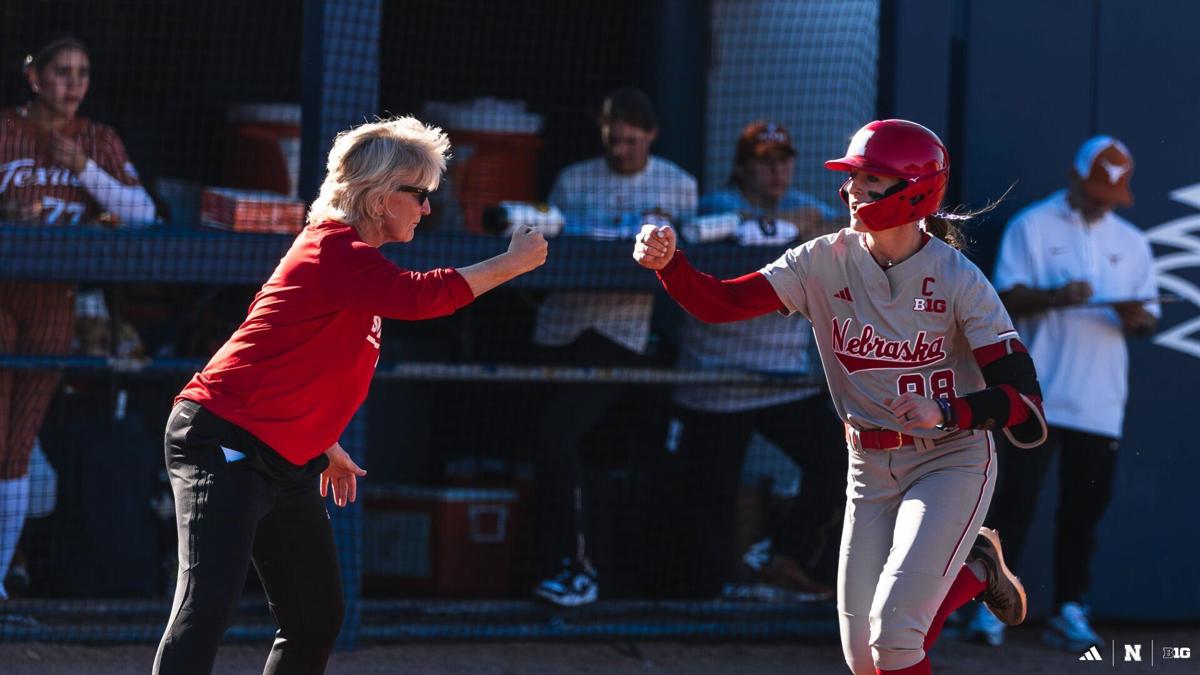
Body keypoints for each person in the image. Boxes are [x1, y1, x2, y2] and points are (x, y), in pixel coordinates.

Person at [634, 119, 1048, 675]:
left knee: (896, 641)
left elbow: (1024, 400)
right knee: (863, 659)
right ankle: (974, 572)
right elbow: (720, 305)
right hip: (869, 465)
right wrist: (671, 267)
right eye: (853, 177)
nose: (853, 190)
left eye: (871, 179)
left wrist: (951, 411)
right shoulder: (822, 259)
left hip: (950, 459)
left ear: (916, 189)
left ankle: (968, 568)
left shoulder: (959, 279)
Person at [153, 116, 547, 674]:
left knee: (315, 615)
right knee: (206, 606)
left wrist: (325, 439)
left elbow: (308, 358)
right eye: (421, 194)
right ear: (383, 197)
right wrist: (510, 263)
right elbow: (420, 298)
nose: (428, 208)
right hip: (222, 439)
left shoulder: (354, 257)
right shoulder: (335, 248)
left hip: (284, 453)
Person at [963, 136, 1158, 651]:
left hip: (1100, 403)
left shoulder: (1133, 241)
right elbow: (1003, 299)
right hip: (1037, 396)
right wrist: (1059, 296)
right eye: (1095, 191)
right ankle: (990, 610)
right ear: (1073, 177)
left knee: (1083, 511)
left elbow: (1147, 319)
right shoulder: (1032, 224)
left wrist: (1134, 317)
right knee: (1013, 505)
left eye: (1110, 197)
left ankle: (1070, 608)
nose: (1101, 204)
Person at [0, 36, 156, 602]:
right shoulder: (6, 130)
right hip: (1, 294)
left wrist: (86, 170)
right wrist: (7, 213)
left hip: (53, 301)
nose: (72, 84)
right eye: (61, 72)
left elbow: (143, 216)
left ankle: (0, 585)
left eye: (82, 74)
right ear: (33, 75)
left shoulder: (98, 139)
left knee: (17, 446)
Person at [663, 120, 845, 600]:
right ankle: (703, 600)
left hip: (782, 382)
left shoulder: (804, 209)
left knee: (839, 460)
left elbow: (839, 229)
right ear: (742, 168)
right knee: (710, 499)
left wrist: (800, 227)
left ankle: (779, 556)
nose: (777, 170)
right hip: (717, 383)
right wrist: (793, 231)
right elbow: (737, 238)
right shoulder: (718, 209)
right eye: (764, 161)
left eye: (783, 159)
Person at [530, 87, 696, 607]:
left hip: (621, 334)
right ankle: (554, 565)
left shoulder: (678, 184)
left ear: (650, 134)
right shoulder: (574, 179)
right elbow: (547, 247)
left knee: (561, 439)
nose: (619, 148)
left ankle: (581, 568)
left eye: (629, 139)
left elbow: (672, 257)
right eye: (612, 139)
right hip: (561, 327)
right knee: (545, 447)